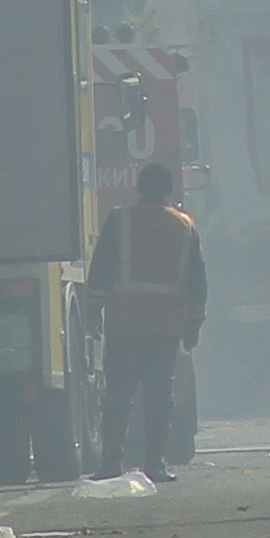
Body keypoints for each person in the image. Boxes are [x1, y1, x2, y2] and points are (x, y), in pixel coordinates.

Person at [98, 159, 206, 484]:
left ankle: (110, 464)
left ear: (140, 188)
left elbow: (100, 269)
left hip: (123, 325)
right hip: (164, 329)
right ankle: (155, 465)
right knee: (159, 397)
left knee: (118, 396)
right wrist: (193, 328)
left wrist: (91, 315)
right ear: (170, 191)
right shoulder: (184, 225)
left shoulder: (120, 219)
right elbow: (197, 282)